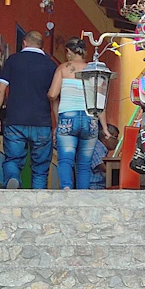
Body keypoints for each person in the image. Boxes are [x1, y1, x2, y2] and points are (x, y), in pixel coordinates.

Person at [0, 27, 56, 188]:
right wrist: (57, 123)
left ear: (24, 43)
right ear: (41, 46)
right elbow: (55, 96)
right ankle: (37, 200)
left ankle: (13, 178)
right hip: (42, 122)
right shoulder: (51, 65)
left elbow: (1, 89)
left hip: (15, 120)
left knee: (12, 159)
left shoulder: (13, 60)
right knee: (40, 168)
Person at [50, 37, 98, 189]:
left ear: (69, 52)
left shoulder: (63, 68)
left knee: (65, 159)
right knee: (84, 164)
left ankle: (66, 189)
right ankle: (82, 194)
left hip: (68, 116)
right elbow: (99, 100)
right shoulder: (93, 69)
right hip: (90, 118)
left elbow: (52, 94)